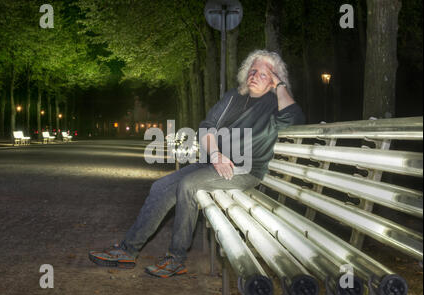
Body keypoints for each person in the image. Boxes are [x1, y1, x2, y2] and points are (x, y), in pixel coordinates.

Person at [88, 49, 306, 278]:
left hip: (245, 170)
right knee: (160, 187)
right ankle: (127, 250)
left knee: (189, 185)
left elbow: (294, 119)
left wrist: (280, 85)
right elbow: (207, 125)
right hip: (212, 163)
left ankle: (176, 258)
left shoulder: (273, 103)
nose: (254, 76)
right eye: (252, 70)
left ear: (273, 80)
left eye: (263, 74)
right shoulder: (234, 96)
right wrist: (215, 155)